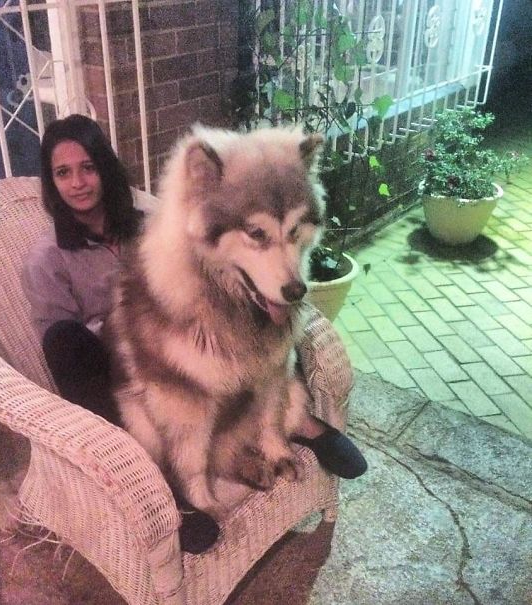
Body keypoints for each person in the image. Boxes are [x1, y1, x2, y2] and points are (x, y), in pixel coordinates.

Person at [22, 113, 366, 552]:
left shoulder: (145, 218)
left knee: (268, 323)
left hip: (178, 336)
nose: (78, 183)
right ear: (51, 182)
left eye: (87, 167)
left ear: (104, 168)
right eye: (63, 173)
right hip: (107, 356)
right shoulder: (48, 257)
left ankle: (296, 426)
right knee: (63, 342)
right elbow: (57, 340)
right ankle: (161, 486)